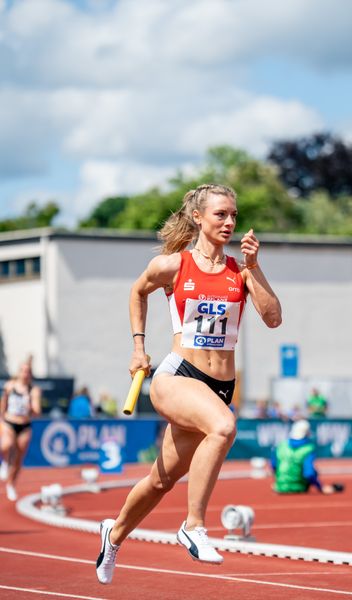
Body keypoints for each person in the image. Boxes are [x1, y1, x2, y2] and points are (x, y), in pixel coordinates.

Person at [96, 183, 282, 584]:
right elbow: (137, 291)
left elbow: (273, 318)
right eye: (221, 215)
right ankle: (193, 525)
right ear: (198, 218)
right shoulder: (174, 266)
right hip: (177, 376)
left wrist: (255, 266)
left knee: (160, 480)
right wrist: (138, 347)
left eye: (234, 215)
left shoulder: (240, 271)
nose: (230, 222)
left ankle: (113, 534)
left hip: (219, 387)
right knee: (224, 427)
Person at [0, 360, 41, 501]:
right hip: (9, 421)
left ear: (30, 374)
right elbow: (3, 405)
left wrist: (30, 404)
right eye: (23, 370)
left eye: (28, 371)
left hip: (24, 425)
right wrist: (2, 419)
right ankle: (4, 462)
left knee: (18, 457)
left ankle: (11, 483)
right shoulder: (10, 386)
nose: (25, 374)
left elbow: (37, 412)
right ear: (19, 372)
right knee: (6, 445)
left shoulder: (33, 390)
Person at [270, 419, 344, 494]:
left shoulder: (281, 446)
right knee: (314, 472)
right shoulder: (308, 448)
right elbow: (309, 473)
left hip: (279, 486)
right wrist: (321, 488)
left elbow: (274, 466)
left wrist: (280, 481)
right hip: (298, 487)